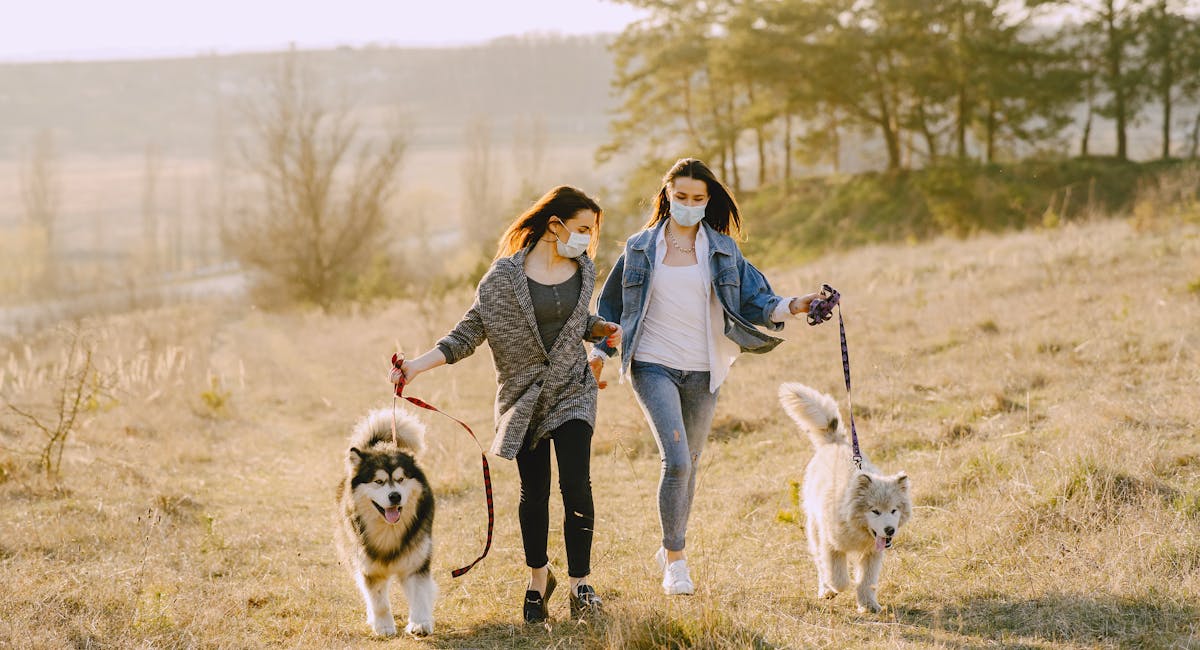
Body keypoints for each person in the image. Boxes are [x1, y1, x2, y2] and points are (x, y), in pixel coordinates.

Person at [394, 186, 621, 623]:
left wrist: (599, 328)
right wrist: (415, 367)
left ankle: (581, 585)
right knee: (533, 493)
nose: (587, 239)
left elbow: (575, 321)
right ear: (554, 225)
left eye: (591, 231)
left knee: (577, 485)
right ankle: (539, 580)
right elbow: (468, 332)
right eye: (582, 229)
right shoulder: (502, 279)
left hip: (573, 389)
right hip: (523, 399)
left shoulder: (584, 269)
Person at [591, 158, 818, 596]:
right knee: (675, 461)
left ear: (708, 200)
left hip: (705, 369)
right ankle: (676, 562)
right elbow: (612, 310)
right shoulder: (639, 248)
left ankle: (668, 544)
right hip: (651, 364)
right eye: (681, 198)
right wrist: (600, 352)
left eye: (698, 199)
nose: (689, 205)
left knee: (690, 465)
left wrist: (797, 304)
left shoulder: (724, 250)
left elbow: (757, 299)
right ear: (667, 196)